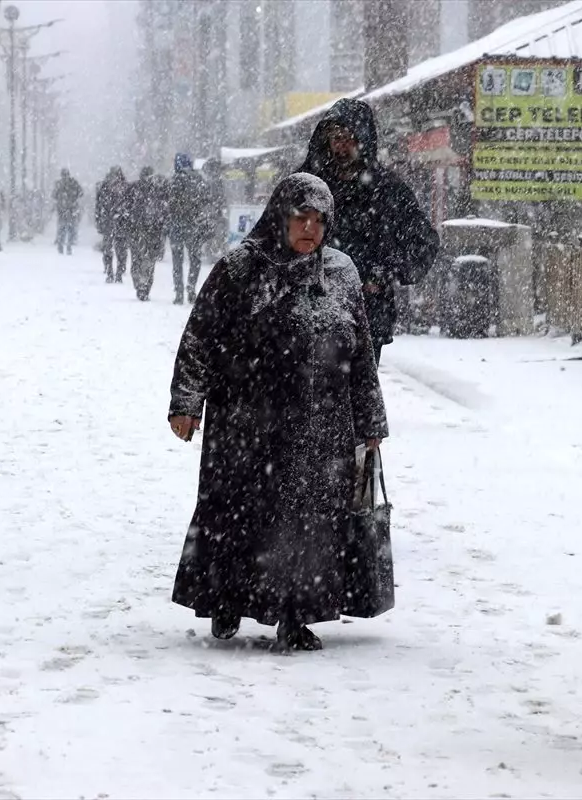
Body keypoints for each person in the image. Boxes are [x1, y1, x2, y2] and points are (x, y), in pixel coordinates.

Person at [167, 173, 388, 652]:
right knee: (239, 517)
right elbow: (200, 338)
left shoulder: (341, 273)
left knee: (308, 525)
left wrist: (370, 424)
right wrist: (186, 402)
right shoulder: (240, 269)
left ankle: (294, 614)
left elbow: (362, 357)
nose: (309, 229)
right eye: (300, 218)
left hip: (319, 427)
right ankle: (227, 597)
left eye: (318, 221)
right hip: (248, 425)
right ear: (280, 218)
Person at [298, 98, 439, 365]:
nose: (341, 146)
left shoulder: (388, 190)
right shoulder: (306, 186)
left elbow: (424, 243)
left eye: (348, 138)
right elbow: (272, 238)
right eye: (335, 137)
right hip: (308, 314)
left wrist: (386, 273)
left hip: (366, 317)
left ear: (363, 139)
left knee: (357, 401)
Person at [168, 152, 209, 305]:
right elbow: (206, 200)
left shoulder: (174, 180)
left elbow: (170, 204)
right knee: (195, 259)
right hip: (194, 227)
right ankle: (191, 289)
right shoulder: (199, 179)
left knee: (177, 261)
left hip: (177, 226)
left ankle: (178, 293)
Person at [128, 166, 168, 302]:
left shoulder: (135, 188)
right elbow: (163, 210)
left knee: (139, 259)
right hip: (149, 230)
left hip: (140, 230)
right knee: (148, 261)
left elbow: (127, 209)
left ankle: (141, 285)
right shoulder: (156, 190)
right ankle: (144, 286)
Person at [95, 166, 131, 283]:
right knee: (120, 249)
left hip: (109, 221)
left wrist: (99, 221)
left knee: (108, 248)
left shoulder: (104, 187)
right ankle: (119, 272)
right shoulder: (126, 187)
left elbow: (99, 206)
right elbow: (131, 205)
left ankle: (110, 271)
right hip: (121, 221)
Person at [53, 168, 83, 255]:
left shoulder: (61, 184)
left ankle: (64, 245)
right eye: (64, 175)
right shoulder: (72, 183)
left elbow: (54, 195)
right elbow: (81, 193)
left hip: (67, 209)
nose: (65, 177)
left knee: (66, 228)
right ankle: (64, 245)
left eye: (65, 175)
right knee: (67, 228)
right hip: (67, 209)